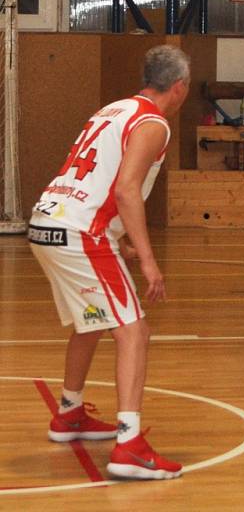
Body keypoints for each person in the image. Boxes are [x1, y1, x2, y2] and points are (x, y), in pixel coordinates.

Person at [28, 45, 189, 480]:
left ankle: (69, 412)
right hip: (82, 232)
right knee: (134, 330)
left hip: (47, 222)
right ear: (180, 87)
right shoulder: (154, 123)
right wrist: (151, 262)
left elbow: (100, 182)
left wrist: (125, 243)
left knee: (93, 320)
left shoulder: (113, 109)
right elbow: (125, 190)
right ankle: (130, 445)